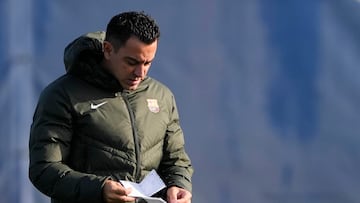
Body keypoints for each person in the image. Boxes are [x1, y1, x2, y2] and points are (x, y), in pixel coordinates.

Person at [29, 11, 193, 203]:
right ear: (107, 50)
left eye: (148, 63)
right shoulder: (62, 95)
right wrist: (99, 189)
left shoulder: (161, 96)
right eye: (132, 62)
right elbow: (44, 169)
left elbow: (176, 159)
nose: (140, 72)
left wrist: (178, 184)